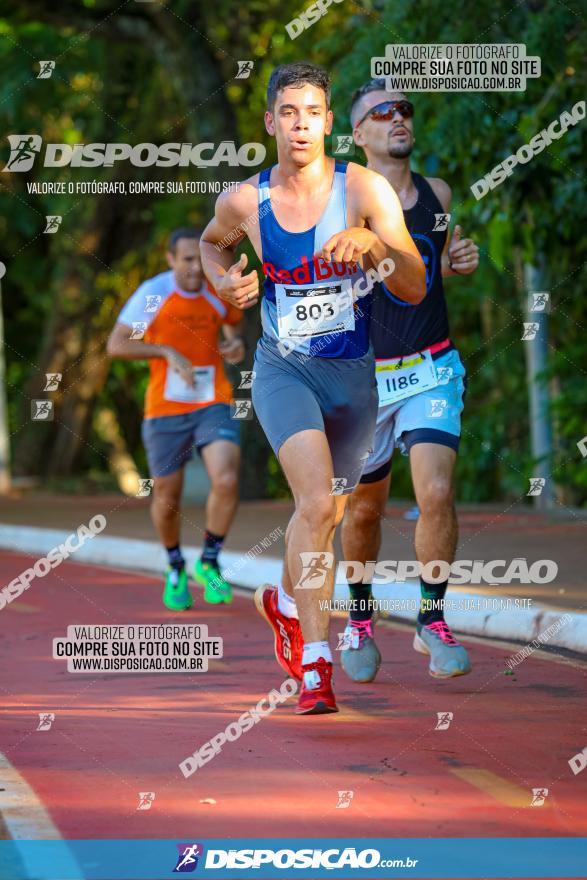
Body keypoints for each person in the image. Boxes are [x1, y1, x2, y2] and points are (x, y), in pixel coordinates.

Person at [200, 63, 425, 715]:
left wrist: (374, 246)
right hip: (283, 370)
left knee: (329, 512)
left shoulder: (364, 191)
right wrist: (222, 282)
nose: (301, 125)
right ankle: (315, 662)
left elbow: (411, 284)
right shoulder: (245, 202)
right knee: (317, 505)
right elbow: (213, 248)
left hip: (353, 375)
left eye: (313, 113)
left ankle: (281, 600)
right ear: (271, 122)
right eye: (288, 113)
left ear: (331, 123)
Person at [339, 81, 480, 683]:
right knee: (365, 512)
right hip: (367, 378)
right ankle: (362, 619)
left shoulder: (439, 194)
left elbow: (430, 264)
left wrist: (456, 262)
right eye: (383, 112)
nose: (399, 118)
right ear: (359, 135)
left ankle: (432, 620)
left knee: (437, 494)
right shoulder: (342, 201)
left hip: (432, 366)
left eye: (405, 110)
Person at [107, 228, 245, 611]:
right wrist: (165, 350)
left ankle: (210, 559)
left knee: (228, 477)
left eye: (198, 260)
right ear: (170, 260)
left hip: (211, 401)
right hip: (165, 410)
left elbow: (233, 323)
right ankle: (174, 565)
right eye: (186, 260)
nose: (194, 270)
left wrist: (234, 344)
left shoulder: (216, 289)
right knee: (167, 496)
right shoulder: (154, 294)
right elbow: (117, 345)